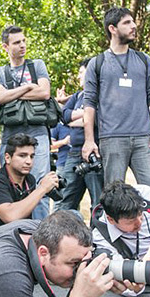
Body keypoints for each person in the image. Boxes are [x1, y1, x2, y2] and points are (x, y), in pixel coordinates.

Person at [82, 7, 150, 192]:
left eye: (133, 21)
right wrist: (89, 140)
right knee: (113, 196)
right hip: (111, 139)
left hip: (144, 139)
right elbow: (89, 104)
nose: (134, 26)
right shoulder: (97, 63)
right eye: (127, 23)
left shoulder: (144, 60)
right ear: (112, 29)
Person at [0, 25, 53, 219]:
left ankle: (42, 233)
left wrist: (11, 94)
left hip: (38, 133)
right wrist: (27, 88)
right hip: (11, 134)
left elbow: (44, 92)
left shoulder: (37, 65)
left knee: (41, 186)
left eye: (24, 41)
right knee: (11, 184)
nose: (22, 45)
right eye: (17, 42)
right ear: (5, 47)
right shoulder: (0, 72)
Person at [0, 133, 60, 232]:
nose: (28, 161)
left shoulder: (29, 179)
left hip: (16, 240)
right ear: (7, 158)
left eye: (32, 156)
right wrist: (42, 188)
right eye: (22, 156)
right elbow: (11, 216)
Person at [57, 58, 104, 211]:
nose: (78, 77)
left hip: (94, 154)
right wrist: (86, 116)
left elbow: (99, 119)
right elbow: (63, 116)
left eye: (81, 73)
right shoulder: (77, 96)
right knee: (65, 200)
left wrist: (78, 118)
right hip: (73, 153)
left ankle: (97, 233)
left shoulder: (102, 94)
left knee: (98, 202)